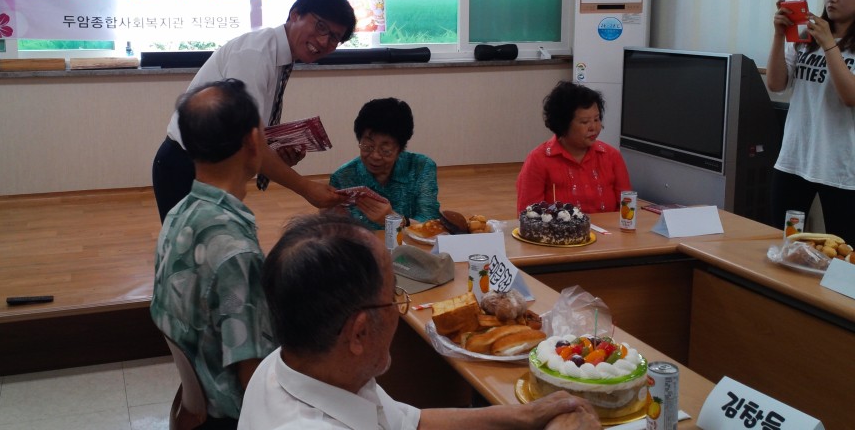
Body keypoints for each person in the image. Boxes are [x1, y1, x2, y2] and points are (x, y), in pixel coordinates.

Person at [238, 213, 601, 430]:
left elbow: (410, 423)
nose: (399, 308)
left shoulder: (295, 364)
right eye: (394, 297)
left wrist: (525, 415)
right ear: (359, 333)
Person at [152, 0, 357, 221]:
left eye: (334, 38)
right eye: (320, 27)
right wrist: (306, 188)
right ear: (295, 14)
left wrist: (274, 154)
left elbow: (248, 134)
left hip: (216, 169)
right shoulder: (255, 54)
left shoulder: (278, 55)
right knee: (195, 242)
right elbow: (245, 138)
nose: (323, 41)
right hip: (187, 167)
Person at [150, 79, 277, 427]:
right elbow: (251, 377)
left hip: (198, 396)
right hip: (230, 414)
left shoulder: (179, 213)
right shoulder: (235, 253)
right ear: (253, 141)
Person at [766, 0, 855, 242]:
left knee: (843, 250)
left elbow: (850, 97)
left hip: (841, 167)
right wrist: (779, 35)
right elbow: (776, 84)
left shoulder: (826, 40)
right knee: (785, 240)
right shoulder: (806, 38)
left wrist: (830, 44)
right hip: (794, 159)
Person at [516, 81, 631, 214]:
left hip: (608, 228)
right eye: (585, 122)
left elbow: (627, 208)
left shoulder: (611, 156)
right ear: (563, 124)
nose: (594, 127)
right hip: (557, 228)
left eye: (597, 119)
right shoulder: (538, 160)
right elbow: (528, 215)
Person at [329, 98, 440, 229]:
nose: (375, 156)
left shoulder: (421, 167)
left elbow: (430, 224)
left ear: (400, 149)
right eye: (367, 146)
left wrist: (392, 218)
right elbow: (335, 231)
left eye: (385, 150)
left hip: (409, 242)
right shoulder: (343, 177)